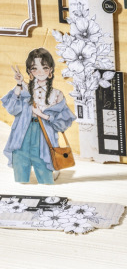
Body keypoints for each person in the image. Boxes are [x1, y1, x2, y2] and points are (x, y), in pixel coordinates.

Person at [1, 48, 76, 184]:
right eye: (35, 68)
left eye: (45, 67)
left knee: (43, 159)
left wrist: (43, 115)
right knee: (20, 157)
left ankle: (46, 181)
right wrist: (18, 84)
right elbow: (12, 109)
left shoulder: (57, 94)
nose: (40, 72)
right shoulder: (23, 88)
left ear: (51, 70)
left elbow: (63, 122)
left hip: (44, 132)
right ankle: (22, 184)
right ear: (30, 71)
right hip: (22, 130)